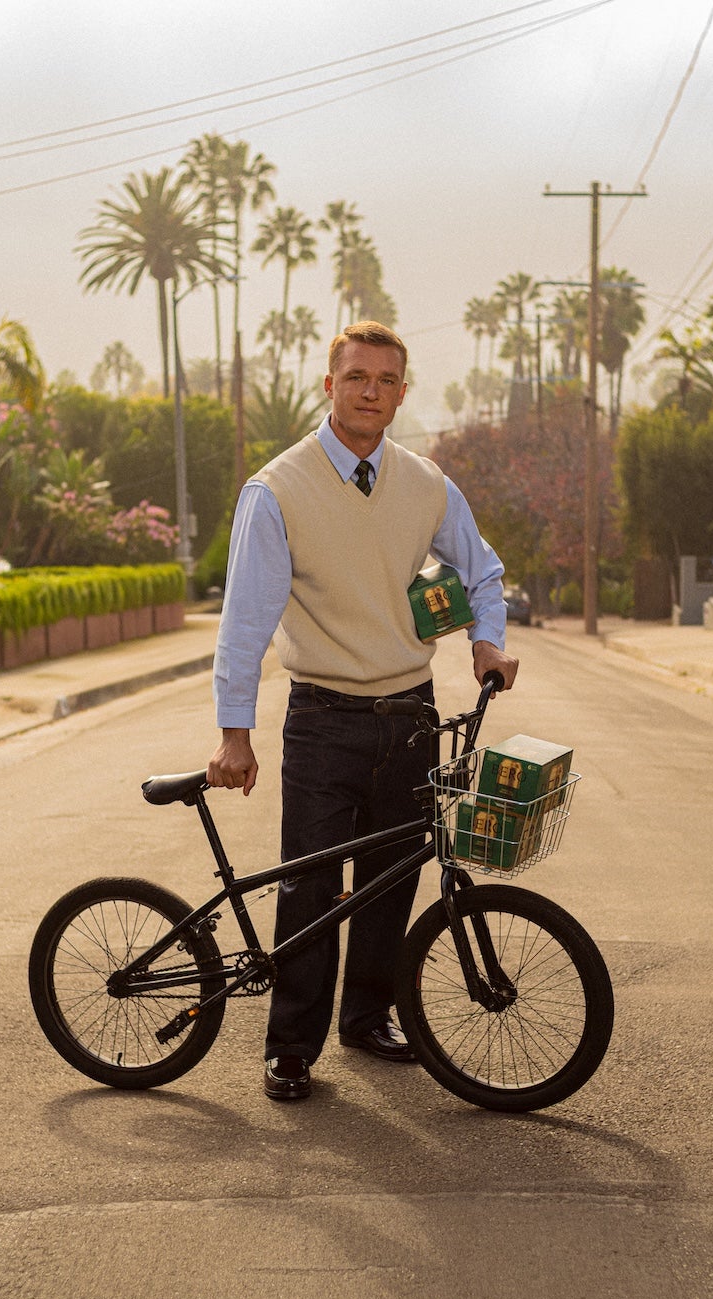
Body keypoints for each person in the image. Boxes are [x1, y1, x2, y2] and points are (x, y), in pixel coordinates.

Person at [207, 320, 518, 1102]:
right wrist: (233, 735)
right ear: (330, 386)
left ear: (402, 393)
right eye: (356, 378)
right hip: (323, 717)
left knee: (390, 880)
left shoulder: (425, 482)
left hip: (411, 712)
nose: (370, 392)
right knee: (308, 890)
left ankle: (368, 1018)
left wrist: (487, 644)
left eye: (385, 381)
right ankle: (290, 1046)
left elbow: (482, 571)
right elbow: (245, 621)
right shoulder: (278, 489)